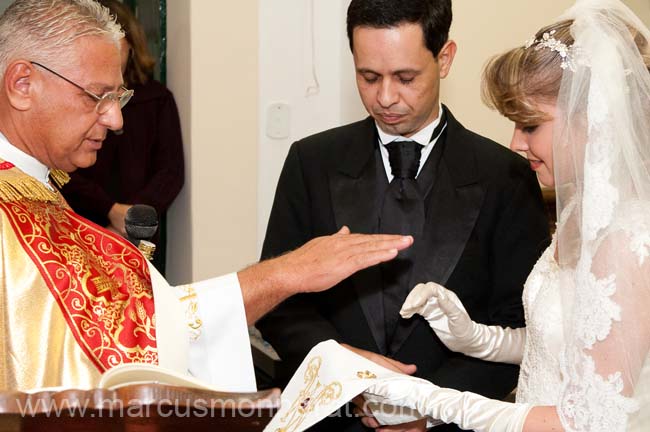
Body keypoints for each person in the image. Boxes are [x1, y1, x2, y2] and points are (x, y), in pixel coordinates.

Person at [0, 0, 413, 392]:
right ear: (22, 84)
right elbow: (130, 346)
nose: (116, 118)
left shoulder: (38, 190)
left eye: (118, 97)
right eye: (98, 96)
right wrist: (286, 274)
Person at [256, 0, 550, 430]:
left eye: (406, 77)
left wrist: (429, 407)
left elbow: (520, 329)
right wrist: (339, 366)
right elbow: (278, 302)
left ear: (445, 58)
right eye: (368, 76)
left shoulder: (505, 175)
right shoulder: (311, 161)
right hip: (326, 417)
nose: (385, 97)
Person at [362, 0, 650, 431]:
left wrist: (434, 401)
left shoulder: (628, 240)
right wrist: (475, 338)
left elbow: (587, 421)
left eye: (530, 124)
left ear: (590, 116)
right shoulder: (582, 216)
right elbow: (558, 349)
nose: (515, 142)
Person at [61, 0, 182, 274]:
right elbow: (61, 166)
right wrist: (109, 210)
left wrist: (131, 218)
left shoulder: (157, 98)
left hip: (139, 236)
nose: (114, 117)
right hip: (82, 224)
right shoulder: (72, 95)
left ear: (131, 42)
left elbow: (170, 172)